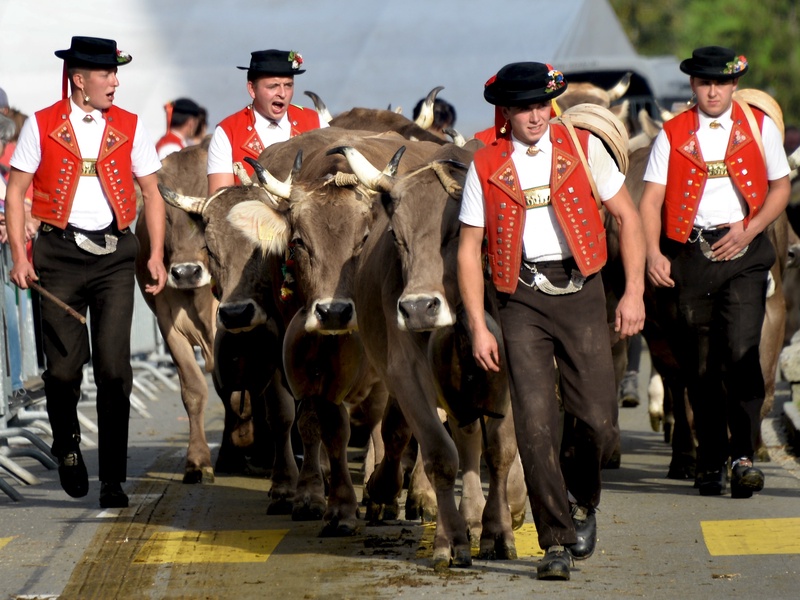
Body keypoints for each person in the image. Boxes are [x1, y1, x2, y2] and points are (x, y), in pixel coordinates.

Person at [458, 62, 645, 580]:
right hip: (518, 298)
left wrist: (632, 292)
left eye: (542, 104)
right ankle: (555, 542)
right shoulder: (485, 164)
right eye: (524, 107)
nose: (535, 115)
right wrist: (478, 324)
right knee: (536, 422)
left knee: (599, 423)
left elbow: (627, 218)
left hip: (584, 291)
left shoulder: (584, 149)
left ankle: (582, 499)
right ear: (507, 112)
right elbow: (469, 250)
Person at [4, 36, 167, 508]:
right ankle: (67, 444)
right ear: (80, 79)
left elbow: (152, 193)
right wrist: (19, 255)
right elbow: (16, 194)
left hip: (116, 257)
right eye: (106, 74)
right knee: (61, 373)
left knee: (115, 371)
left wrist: (154, 254)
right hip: (58, 255)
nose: (115, 82)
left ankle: (113, 478)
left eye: (116, 73)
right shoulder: (41, 124)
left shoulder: (131, 126)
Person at [640, 46, 791, 498]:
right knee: (700, 366)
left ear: (733, 85)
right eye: (704, 82)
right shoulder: (671, 134)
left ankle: (742, 455)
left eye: (720, 82)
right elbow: (650, 201)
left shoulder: (759, 128)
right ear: (693, 85)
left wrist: (751, 229)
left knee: (742, 351)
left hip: (744, 255)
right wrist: (652, 252)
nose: (712, 90)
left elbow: (780, 188)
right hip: (690, 257)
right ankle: (710, 460)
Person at [207, 48, 326, 195]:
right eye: (273, 86)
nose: (282, 94)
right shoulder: (227, 132)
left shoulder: (316, 123)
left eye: (288, 85)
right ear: (252, 89)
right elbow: (219, 203)